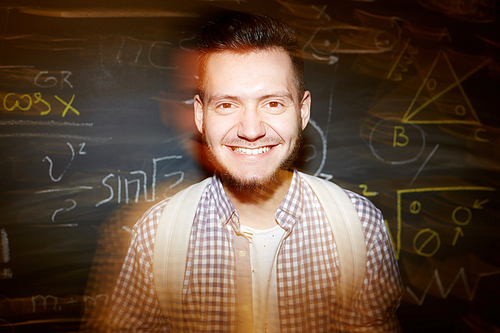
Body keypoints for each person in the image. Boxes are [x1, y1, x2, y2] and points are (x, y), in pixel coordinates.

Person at [107, 11, 403, 332]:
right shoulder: (154, 237)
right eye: (226, 104)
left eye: (273, 103)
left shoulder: (361, 227)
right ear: (200, 115)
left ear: (302, 111)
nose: (251, 130)